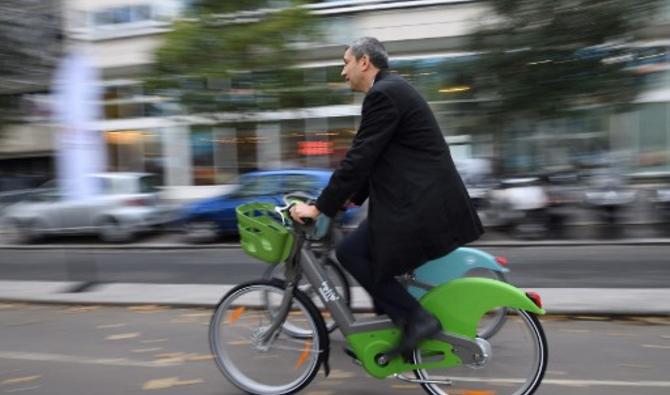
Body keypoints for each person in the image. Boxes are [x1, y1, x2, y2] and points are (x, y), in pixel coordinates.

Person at [290, 37, 484, 357]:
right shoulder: (390, 90)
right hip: (421, 199)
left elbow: (359, 157)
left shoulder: (383, 95)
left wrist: (317, 207)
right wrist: (349, 198)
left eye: (345, 62)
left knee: (352, 252)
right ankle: (384, 333)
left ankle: (417, 320)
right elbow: (378, 157)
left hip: (421, 204)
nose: (342, 72)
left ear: (364, 62)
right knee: (371, 255)